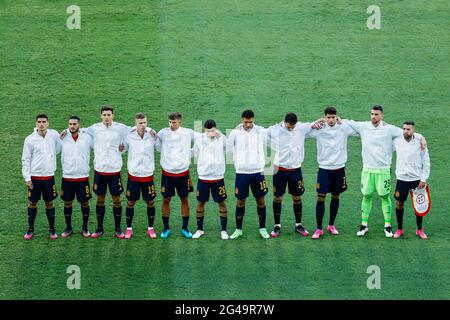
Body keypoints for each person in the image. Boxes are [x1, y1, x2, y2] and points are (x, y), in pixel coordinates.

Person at [343, 105, 425, 237]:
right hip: (367, 169)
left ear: (382, 116)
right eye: (372, 114)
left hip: (383, 170)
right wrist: (326, 120)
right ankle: (364, 225)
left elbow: (408, 132)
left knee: (384, 196)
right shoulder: (363, 126)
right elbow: (347, 122)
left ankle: (387, 226)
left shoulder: (389, 129)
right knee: (366, 195)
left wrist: (421, 137)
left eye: (376, 114)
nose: (373, 117)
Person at [307, 107, 359, 239]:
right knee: (321, 198)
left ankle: (331, 225)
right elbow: (303, 131)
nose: (330, 120)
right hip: (324, 169)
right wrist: (315, 122)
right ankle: (319, 228)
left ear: (337, 117)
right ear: (325, 117)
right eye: (328, 117)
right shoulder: (319, 128)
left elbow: (360, 129)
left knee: (336, 196)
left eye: (333, 117)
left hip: (339, 169)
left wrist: (344, 120)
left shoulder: (344, 127)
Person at [86, 106, 130, 239]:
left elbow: (135, 129)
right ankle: (99, 228)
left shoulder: (121, 128)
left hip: (114, 171)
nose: (106, 117)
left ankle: (118, 228)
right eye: (104, 114)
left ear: (113, 116)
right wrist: (65, 132)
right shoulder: (94, 128)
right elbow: (79, 130)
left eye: (109, 114)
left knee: (117, 200)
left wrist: (150, 131)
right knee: (100, 199)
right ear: (101, 116)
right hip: (100, 171)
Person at [266, 112, 312, 238]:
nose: (291, 128)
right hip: (279, 170)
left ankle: (298, 225)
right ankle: (277, 226)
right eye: (288, 126)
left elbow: (315, 124)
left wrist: (323, 120)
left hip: (296, 169)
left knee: (297, 197)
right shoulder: (274, 130)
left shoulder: (301, 128)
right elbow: (258, 132)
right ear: (284, 122)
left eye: (293, 126)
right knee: (278, 197)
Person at [227, 109, 270, 239]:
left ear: (254, 119)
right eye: (246, 122)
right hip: (241, 173)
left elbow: (277, 129)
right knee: (240, 201)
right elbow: (228, 150)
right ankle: (238, 229)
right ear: (242, 120)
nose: (248, 125)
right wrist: (237, 162)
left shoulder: (261, 131)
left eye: (250, 122)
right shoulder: (234, 133)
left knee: (261, 200)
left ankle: (262, 228)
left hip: (258, 172)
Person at [156, 112, 199, 239]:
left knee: (184, 199)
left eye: (173, 122)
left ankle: (185, 228)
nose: (171, 124)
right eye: (169, 122)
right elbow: (156, 143)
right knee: (166, 199)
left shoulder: (188, 132)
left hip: (183, 174)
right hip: (167, 174)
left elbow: (202, 138)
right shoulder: (163, 132)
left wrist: (189, 153)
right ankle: (166, 228)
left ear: (180, 122)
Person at [22, 114, 61, 240]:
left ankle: (52, 229)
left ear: (48, 123)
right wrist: (27, 178)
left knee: (49, 202)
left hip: (49, 176)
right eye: (39, 122)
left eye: (44, 121)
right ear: (36, 123)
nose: (41, 124)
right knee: (33, 202)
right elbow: (25, 159)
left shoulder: (54, 134)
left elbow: (58, 149)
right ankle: (30, 229)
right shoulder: (30, 139)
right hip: (35, 177)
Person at [122, 113, 159, 239]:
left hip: (148, 175)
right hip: (134, 175)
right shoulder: (129, 135)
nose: (143, 125)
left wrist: (157, 138)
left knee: (150, 201)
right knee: (131, 202)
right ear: (136, 123)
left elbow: (159, 148)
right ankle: (129, 228)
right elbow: (123, 150)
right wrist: (120, 148)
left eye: (144, 123)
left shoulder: (152, 135)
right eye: (140, 123)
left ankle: (150, 228)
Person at [393, 121, 430, 239]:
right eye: (404, 129)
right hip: (402, 179)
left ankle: (419, 230)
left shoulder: (420, 142)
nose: (406, 131)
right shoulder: (397, 140)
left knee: (419, 204)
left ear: (413, 130)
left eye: (408, 129)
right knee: (400, 203)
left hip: (416, 179)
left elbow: (426, 162)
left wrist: (423, 179)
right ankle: (399, 229)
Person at [192, 119, 229, 240]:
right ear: (204, 130)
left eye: (213, 130)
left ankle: (223, 230)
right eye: (208, 131)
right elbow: (194, 153)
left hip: (218, 177)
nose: (211, 133)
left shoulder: (222, 138)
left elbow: (229, 150)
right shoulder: (200, 139)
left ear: (216, 128)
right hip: (203, 177)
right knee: (200, 202)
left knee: (221, 202)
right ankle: (199, 229)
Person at [60, 116, 93, 238]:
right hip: (67, 176)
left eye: (74, 124)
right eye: (70, 124)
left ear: (79, 125)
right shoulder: (62, 138)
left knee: (84, 203)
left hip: (83, 176)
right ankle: (68, 228)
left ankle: (85, 228)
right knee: (67, 203)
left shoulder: (87, 137)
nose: (72, 126)